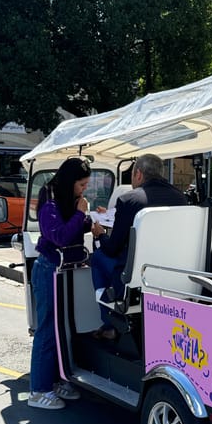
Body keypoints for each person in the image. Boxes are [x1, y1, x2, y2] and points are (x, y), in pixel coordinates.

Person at [91, 153, 187, 340]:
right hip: (172, 276)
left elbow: (112, 248)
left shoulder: (129, 200)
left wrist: (100, 234)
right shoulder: (180, 198)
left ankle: (110, 321)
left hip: (135, 281)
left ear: (139, 174)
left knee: (98, 257)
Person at [28, 157, 92, 410]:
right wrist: (80, 214)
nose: (83, 190)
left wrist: (89, 222)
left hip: (63, 269)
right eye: (82, 185)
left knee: (60, 329)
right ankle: (38, 390)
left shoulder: (65, 198)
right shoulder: (49, 200)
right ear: (70, 182)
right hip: (48, 270)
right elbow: (60, 236)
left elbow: (72, 226)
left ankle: (56, 380)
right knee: (46, 330)